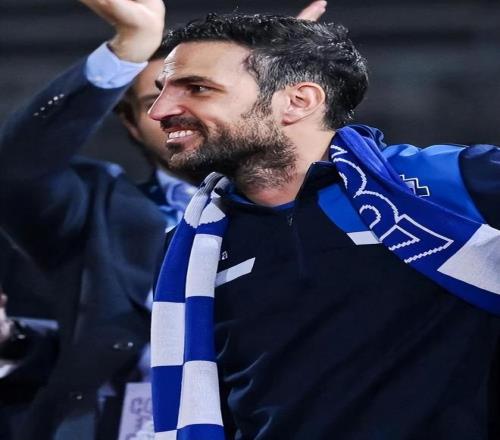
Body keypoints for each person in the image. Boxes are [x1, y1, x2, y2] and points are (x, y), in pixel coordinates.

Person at [149, 13, 500, 440]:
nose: (159, 110)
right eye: (163, 89)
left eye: (198, 88)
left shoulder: (452, 182)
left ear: (298, 101)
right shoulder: (189, 250)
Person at [0, 2, 327, 439]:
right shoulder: (99, 208)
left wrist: (275, 93)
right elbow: (17, 168)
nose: (174, 109)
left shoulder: (330, 207)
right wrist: (128, 51)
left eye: (201, 90)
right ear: (133, 123)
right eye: (155, 98)